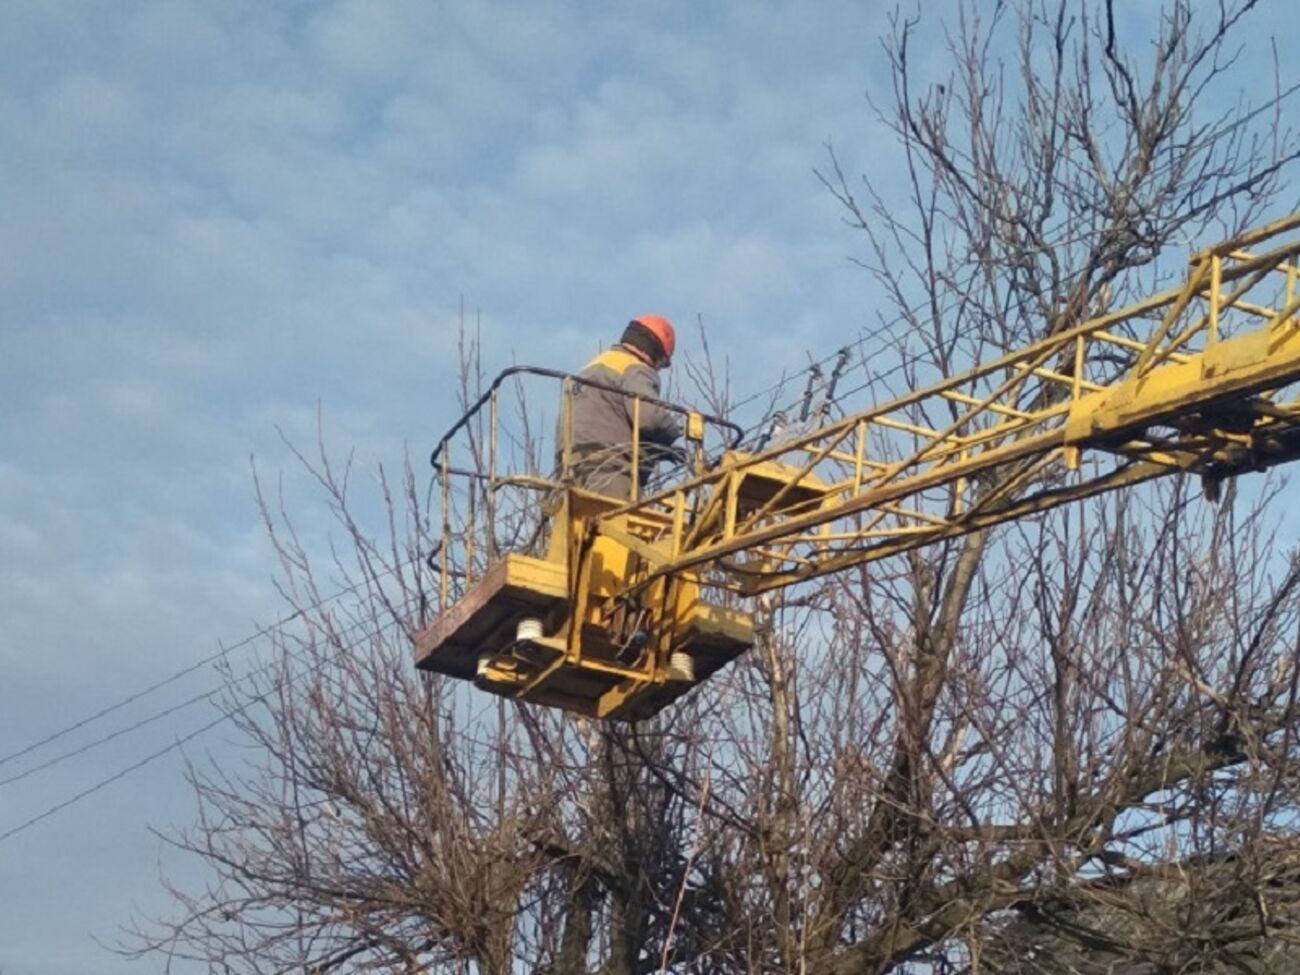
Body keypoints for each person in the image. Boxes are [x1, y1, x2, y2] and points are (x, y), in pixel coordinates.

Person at [560, 315, 683, 499]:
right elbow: (649, 417)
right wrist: (673, 432)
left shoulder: (590, 370)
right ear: (656, 354)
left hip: (568, 475)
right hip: (609, 472)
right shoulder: (635, 368)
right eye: (661, 364)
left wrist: (656, 451)